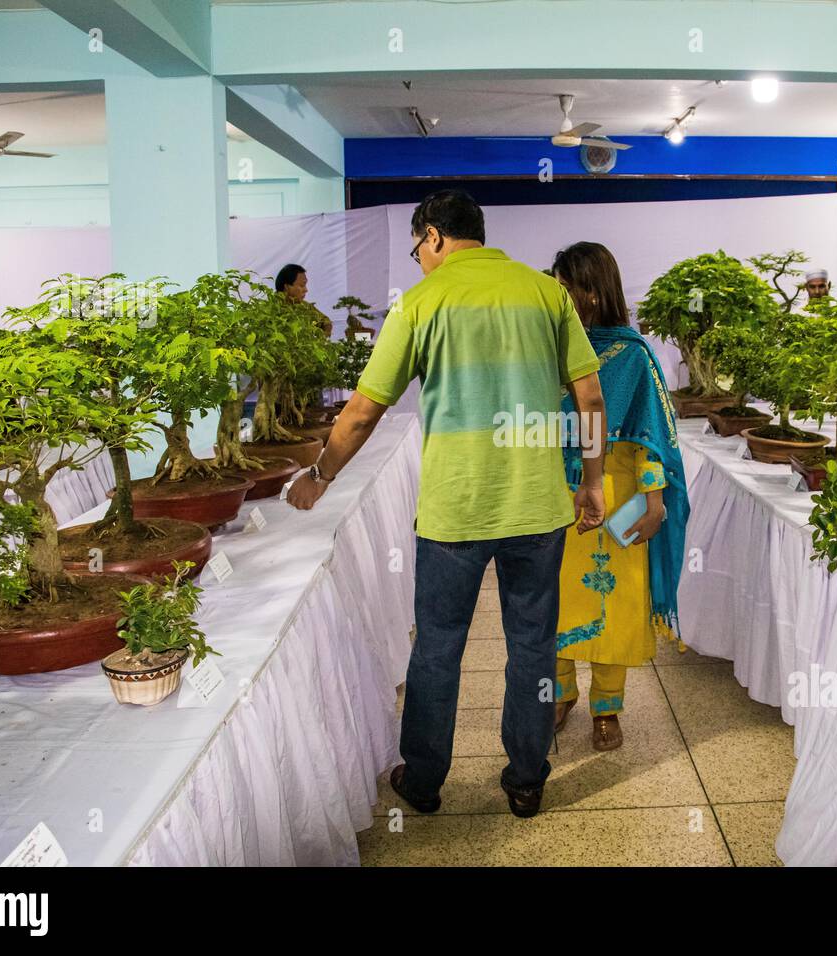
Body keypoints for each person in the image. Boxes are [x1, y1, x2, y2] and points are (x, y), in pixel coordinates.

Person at [286, 189, 608, 819]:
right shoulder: (545, 294)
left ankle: (426, 779)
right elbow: (589, 397)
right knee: (533, 647)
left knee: (437, 646)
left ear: (432, 236)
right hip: (538, 508)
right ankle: (526, 778)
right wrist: (592, 481)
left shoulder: (421, 302)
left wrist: (320, 475)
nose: (419, 260)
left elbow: (363, 409)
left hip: (454, 511)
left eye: (416, 249)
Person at [550, 242, 689, 752]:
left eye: (567, 285)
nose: (560, 294)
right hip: (554, 494)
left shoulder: (632, 353)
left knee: (616, 601)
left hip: (617, 493)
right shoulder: (551, 347)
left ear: (592, 291)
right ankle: (559, 694)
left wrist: (654, 503)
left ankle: (607, 706)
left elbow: (651, 436)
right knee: (553, 600)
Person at [275, 262, 333, 335]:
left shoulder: (304, 306)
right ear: (286, 287)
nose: (306, 290)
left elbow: (326, 322)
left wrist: (323, 337)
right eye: (302, 285)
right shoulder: (270, 308)